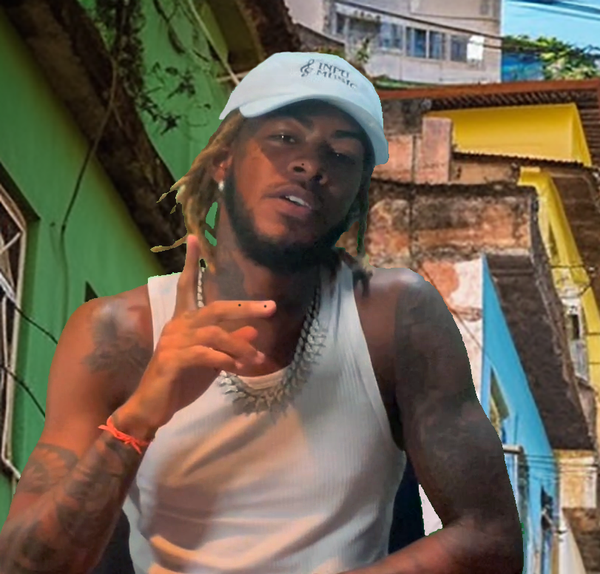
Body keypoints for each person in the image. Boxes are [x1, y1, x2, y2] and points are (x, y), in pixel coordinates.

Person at [0, 52, 523, 574]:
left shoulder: (395, 318)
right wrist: (139, 417)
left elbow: (491, 538)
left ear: (355, 201)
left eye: (341, 154)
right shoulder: (118, 333)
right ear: (224, 160)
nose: (311, 165)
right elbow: (24, 565)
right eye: (285, 137)